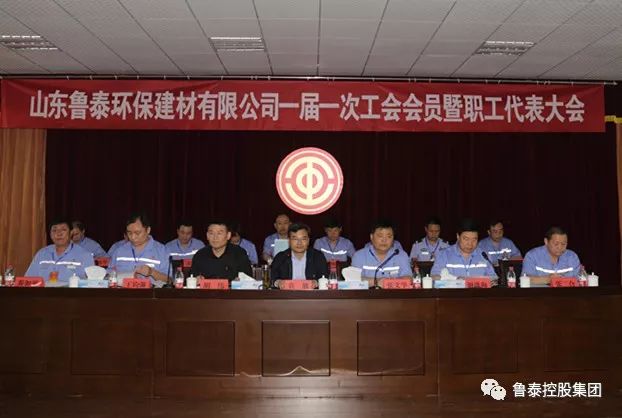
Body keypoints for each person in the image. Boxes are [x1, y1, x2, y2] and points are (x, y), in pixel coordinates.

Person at [26, 219, 94, 285]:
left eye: (63, 230)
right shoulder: (42, 254)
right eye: (54, 230)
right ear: (50, 234)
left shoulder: (85, 256)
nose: (59, 234)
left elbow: (92, 284)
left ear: (71, 233)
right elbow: (28, 280)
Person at [109, 214, 170, 287]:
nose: (133, 237)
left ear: (148, 230)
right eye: (129, 233)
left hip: (151, 293)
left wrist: (152, 272)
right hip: (123, 293)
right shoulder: (119, 251)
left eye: (137, 233)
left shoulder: (161, 251)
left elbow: (170, 280)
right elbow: (108, 276)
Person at [351, 220, 412, 287]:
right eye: (380, 236)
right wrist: (376, 282)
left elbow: (408, 279)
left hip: (394, 293)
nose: (384, 240)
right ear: (371, 237)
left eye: (389, 236)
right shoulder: (359, 256)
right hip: (367, 293)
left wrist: (387, 283)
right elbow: (353, 280)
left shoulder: (401, 255)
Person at [431, 219, 497, 279]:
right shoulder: (444, 254)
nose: (470, 244)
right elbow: (434, 277)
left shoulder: (483, 255)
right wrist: (455, 280)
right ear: (458, 236)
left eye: (474, 239)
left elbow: (494, 278)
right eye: (466, 239)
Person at [270, 223, 329, 287]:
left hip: (311, 292)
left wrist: (317, 282)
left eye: (303, 239)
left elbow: (325, 277)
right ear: (289, 241)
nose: (299, 243)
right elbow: (272, 277)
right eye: (295, 239)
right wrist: (278, 282)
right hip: (287, 293)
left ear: (308, 241)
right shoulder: (280, 257)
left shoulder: (318, 256)